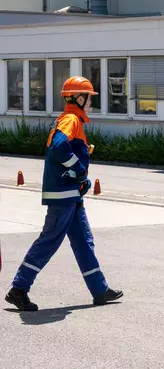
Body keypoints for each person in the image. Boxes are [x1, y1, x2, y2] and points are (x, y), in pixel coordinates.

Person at [5, 76, 123, 311]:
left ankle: (99, 290)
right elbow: (59, 146)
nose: (91, 103)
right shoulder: (70, 119)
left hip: (71, 196)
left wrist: (81, 180)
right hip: (63, 197)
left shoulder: (72, 119)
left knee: (84, 242)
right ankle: (19, 288)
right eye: (89, 99)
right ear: (79, 98)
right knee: (49, 241)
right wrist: (80, 171)